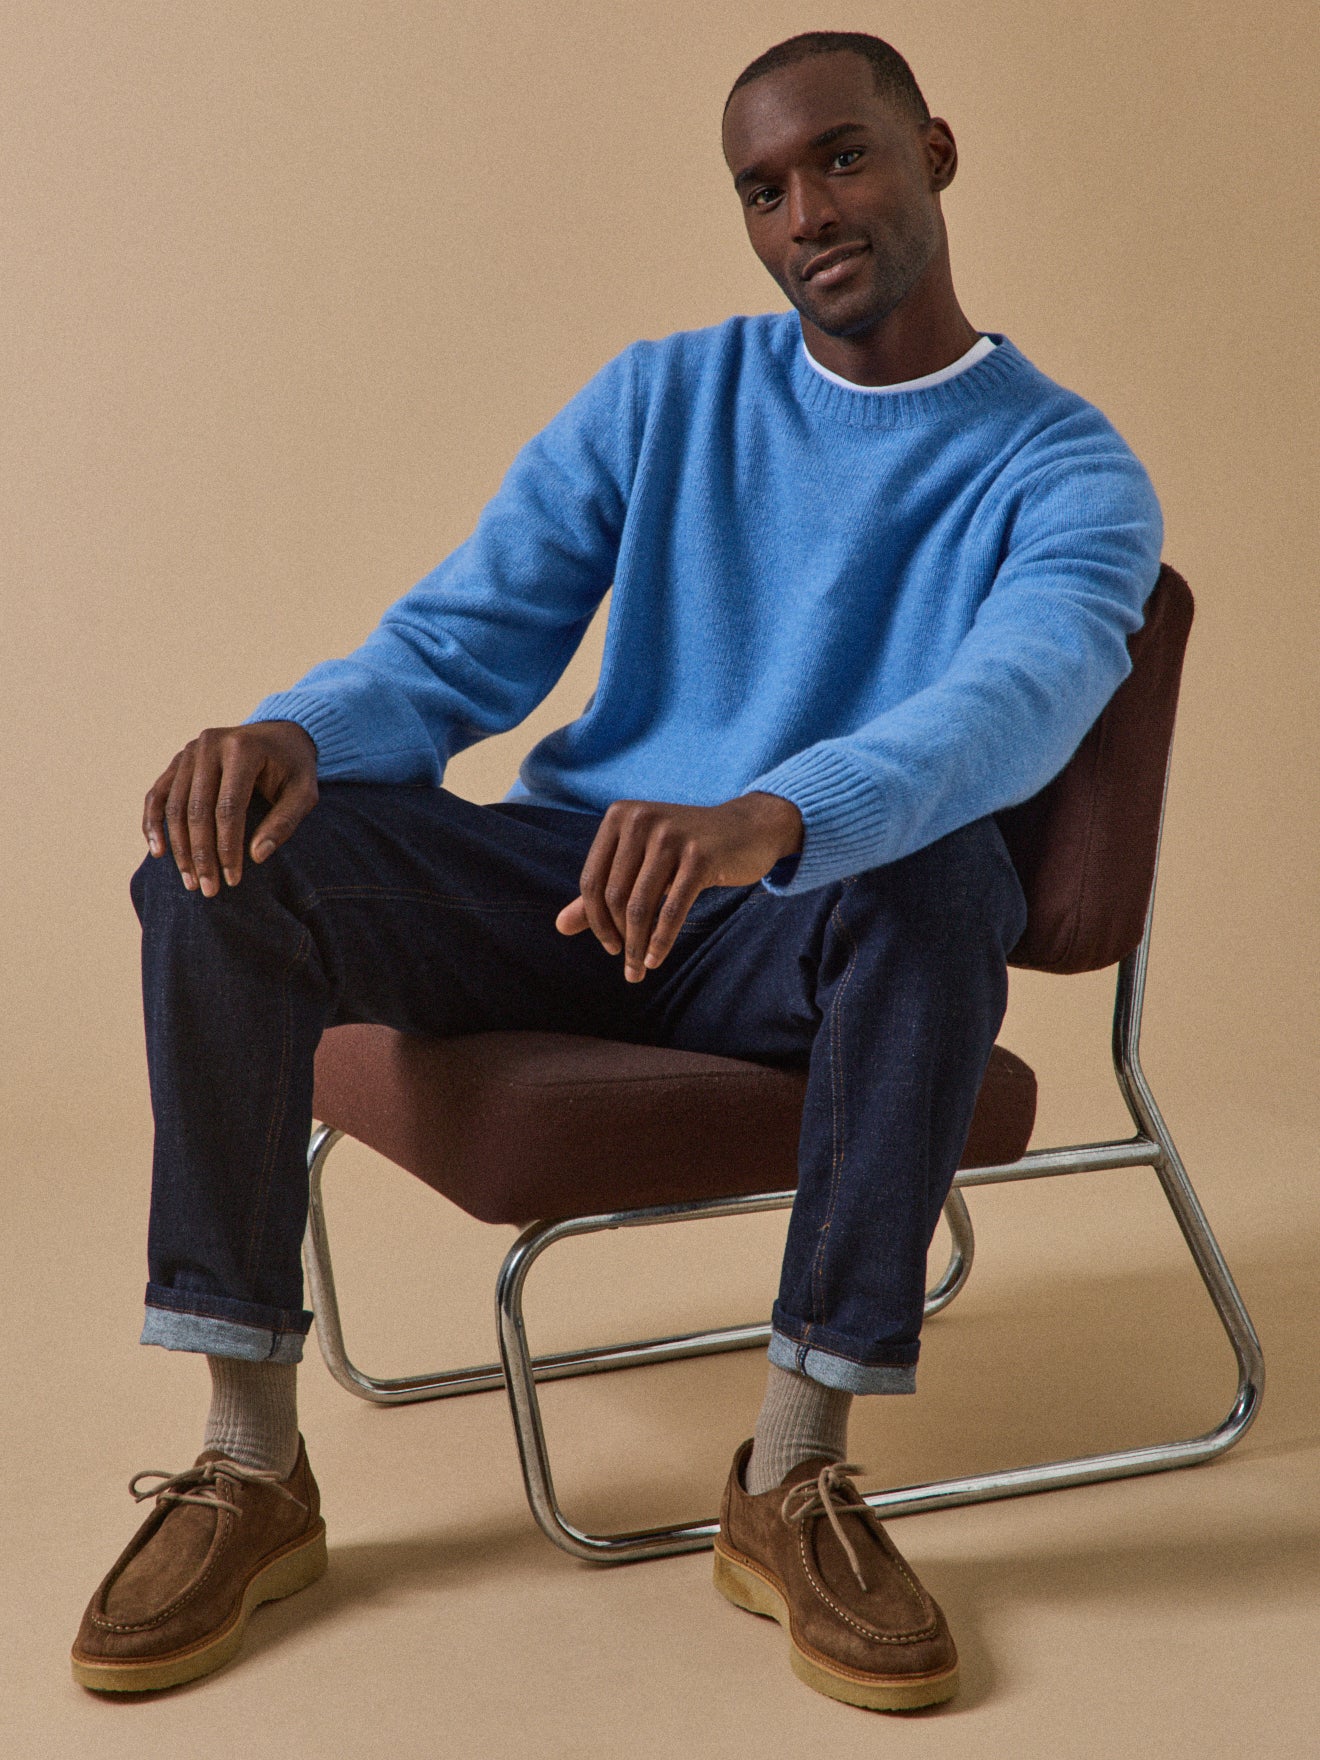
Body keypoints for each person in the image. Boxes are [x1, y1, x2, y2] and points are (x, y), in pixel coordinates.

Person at [71, 30, 1163, 1712]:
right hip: (564, 887)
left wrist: (773, 817)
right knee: (226, 861)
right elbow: (460, 645)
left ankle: (794, 1471)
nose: (808, 214)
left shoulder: (1069, 469)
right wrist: (296, 734)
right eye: (763, 189)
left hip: (789, 914)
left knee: (947, 879)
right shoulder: (664, 398)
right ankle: (248, 1462)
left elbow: (1007, 708)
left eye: (844, 158)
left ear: (935, 153)